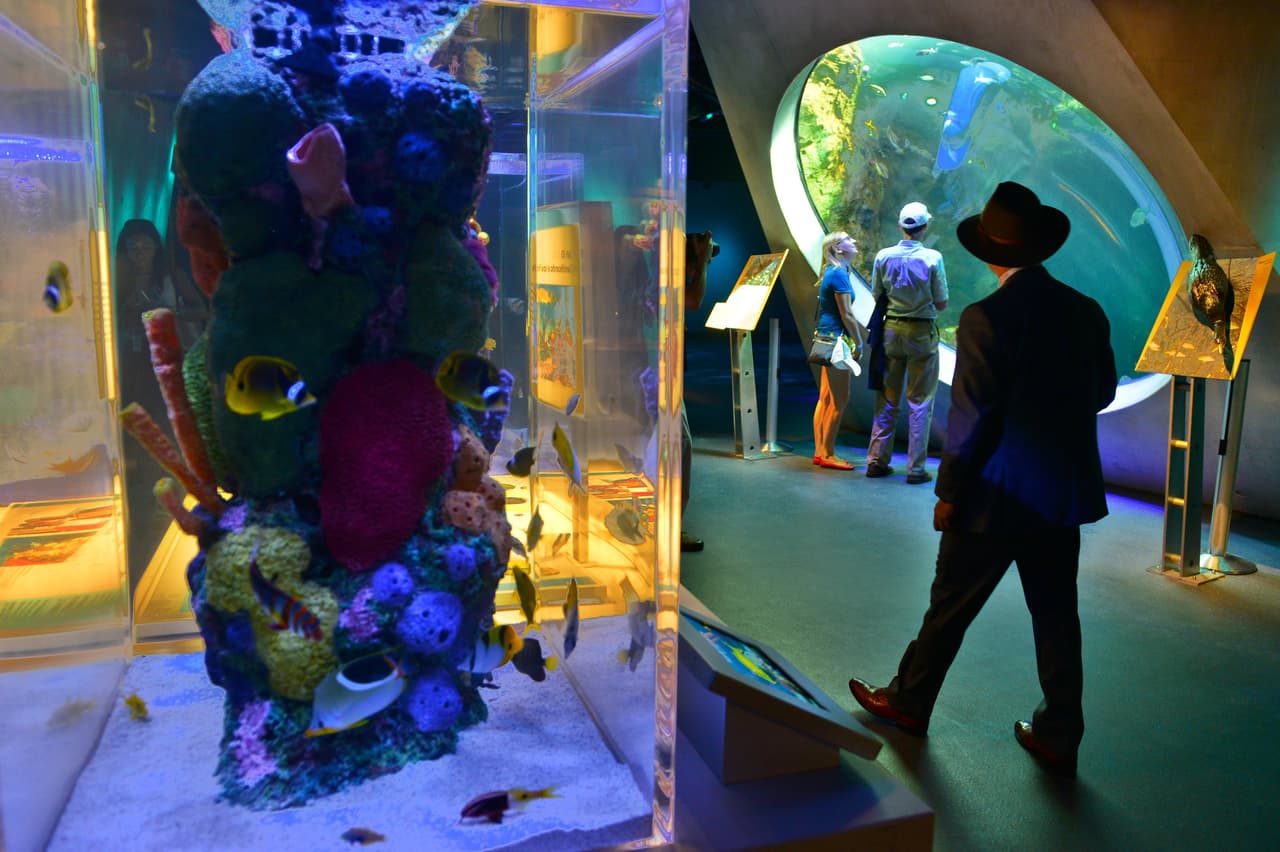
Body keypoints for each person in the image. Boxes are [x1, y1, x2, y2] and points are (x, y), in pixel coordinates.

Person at [848, 182, 1117, 777]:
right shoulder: (1085, 311)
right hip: (1056, 498)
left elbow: (973, 418)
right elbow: (1102, 393)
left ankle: (910, 702)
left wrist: (948, 495)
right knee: (1056, 615)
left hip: (993, 499)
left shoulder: (985, 318)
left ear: (993, 253)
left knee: (950, 605)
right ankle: (1059, 733)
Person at [865, 202, 949, 483]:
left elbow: (878, 294)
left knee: (887, 400)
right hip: (921, 334)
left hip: (891, 331)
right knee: (920, 401)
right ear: (925, 227)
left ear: (901, 226)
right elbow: (942, 303)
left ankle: (877, 461)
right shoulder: (933, 258)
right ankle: (915, 469)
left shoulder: (883, 256)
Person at [810, 231, 862, 470]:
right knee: (840, 400)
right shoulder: (840, 274)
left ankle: (820, 451)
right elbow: (847, 314)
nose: (854, 242)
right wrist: (859, 342)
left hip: (825, 338)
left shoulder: (830, 272)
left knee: (826, 398)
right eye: (848, 240)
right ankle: (829, 454)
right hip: (837, 343)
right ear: (838, 249)